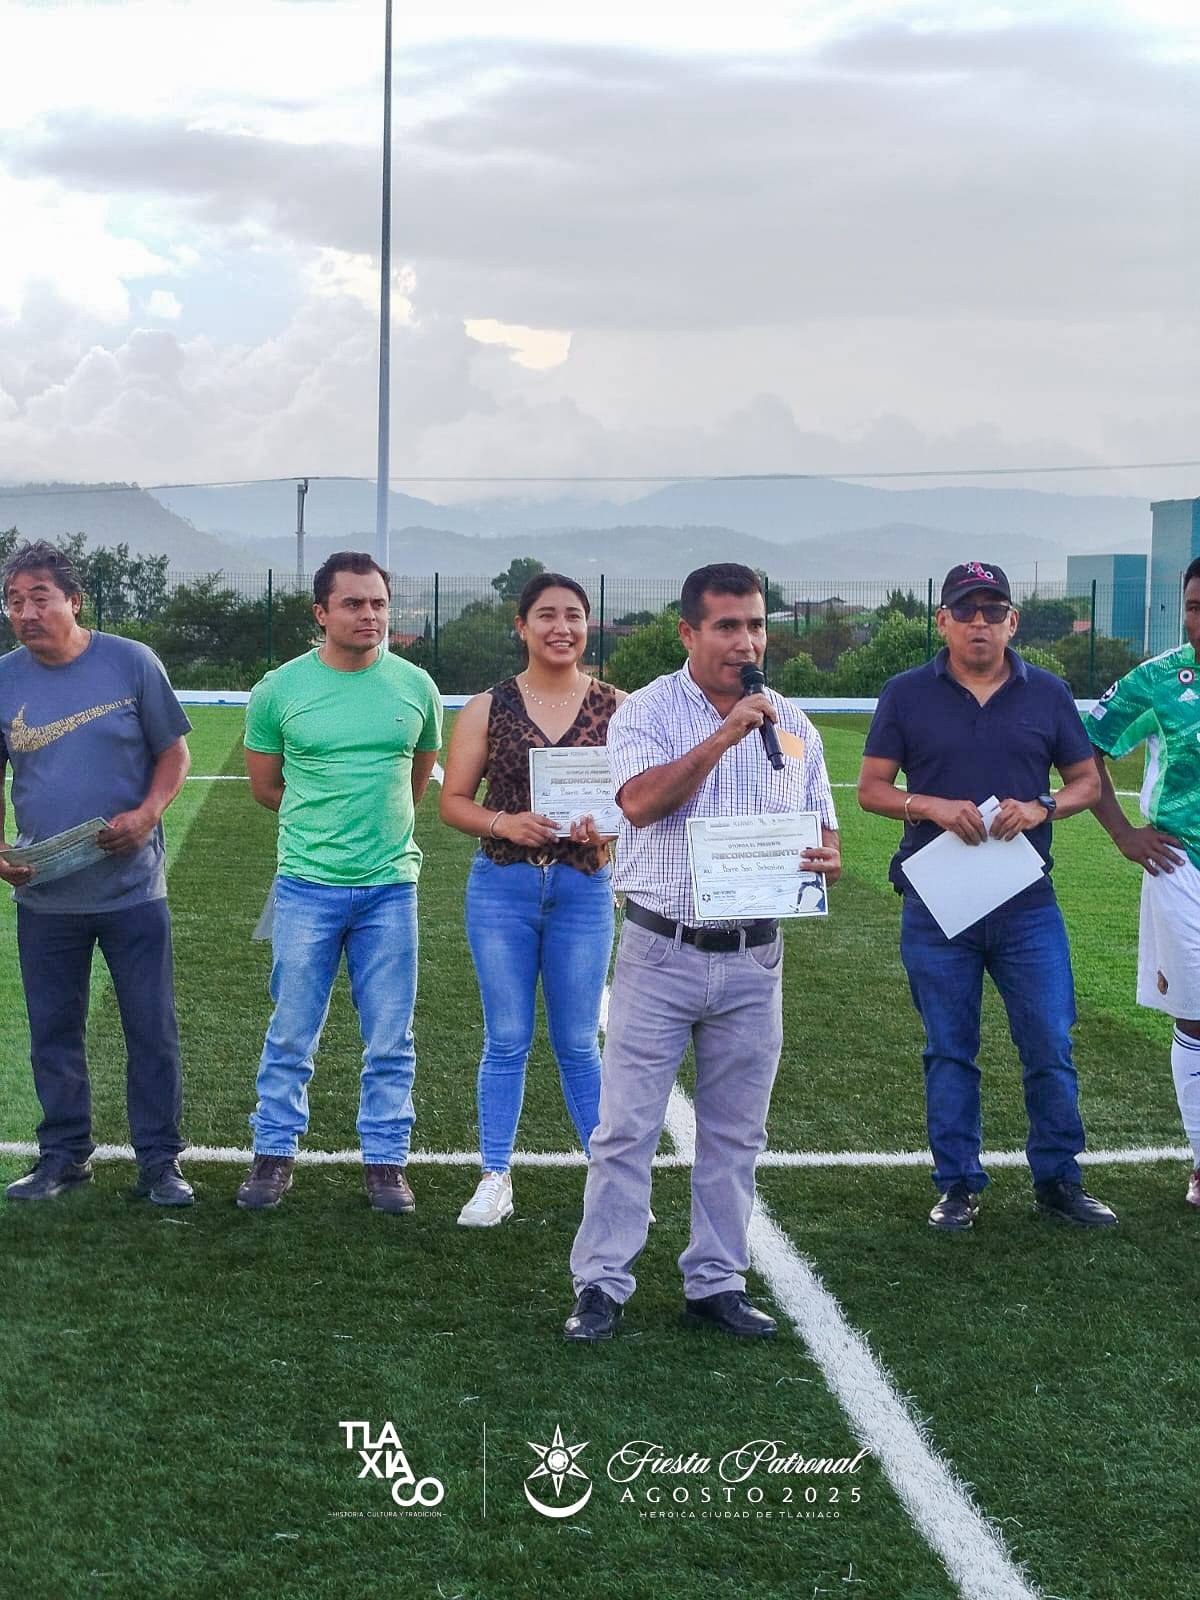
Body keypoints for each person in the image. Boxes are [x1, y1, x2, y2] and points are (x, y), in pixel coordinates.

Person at [563, 563, 840, 1342]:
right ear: (688, 632)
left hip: (755, 958)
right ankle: (602, 1284)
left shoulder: (794, 723)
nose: (746, 642)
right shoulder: (647, 711)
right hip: (662, 950)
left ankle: (716, 1281)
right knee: (626, 1129)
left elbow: (825, 833)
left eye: (756, 625)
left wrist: (825, 860)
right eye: (727, 627)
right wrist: (724, 735)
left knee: (736, 1132)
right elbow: (640, 804)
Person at [857, 561, 1116, 1231]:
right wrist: (931, 806)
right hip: (938, 904)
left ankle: (1059, 1180)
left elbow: (1087, 782)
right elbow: (872, 789)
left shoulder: (1048, 692)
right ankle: (957, 1184)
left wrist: (1042, 807)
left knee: (1049, 1044)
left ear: (1012, 622)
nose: (980, 622)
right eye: (966, 611)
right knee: (949, 1049)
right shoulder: (906, 693)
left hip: (1026, 904)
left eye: (993, 610)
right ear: (942, 620)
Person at [237, 551, 441, 1213]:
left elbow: (416, 780)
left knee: (390, 1038)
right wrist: (321, 827)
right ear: (321, 613)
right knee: (291, 1032)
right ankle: (273, 1155)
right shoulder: (279, 690)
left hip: (391, 890)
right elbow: (267, 788)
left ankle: (385, 1162)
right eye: (353, 603)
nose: (369, 615)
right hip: (305, 887)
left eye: (378, 602)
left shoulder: (415, 687)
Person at [0, 540, 193, 1205]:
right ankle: (63, 1156)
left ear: (75, 601)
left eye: (40, 597)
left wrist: (148, 813)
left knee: (151, 1030)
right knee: (53, 1033)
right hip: (46, 894)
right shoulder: (4, 678)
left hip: (133, 891)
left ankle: (160, 1162)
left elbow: (174, 753)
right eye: (13, 601)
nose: (26, 612)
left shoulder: (131, 662)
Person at [440, 573, 624, 1227]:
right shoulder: (487, 707)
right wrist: (504, 823)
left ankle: (611, 1179)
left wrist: (608, 830)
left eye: (573, 615)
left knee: (578, 1041)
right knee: (507, 1038)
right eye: (546, 615)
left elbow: (641, 803)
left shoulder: (619, 706)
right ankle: (495, 1175)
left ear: (587, 625)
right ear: (521, 626)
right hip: (503, 886)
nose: (560, 627)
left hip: (583, 888)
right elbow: (453, 802)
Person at [1087, 556, 1200, 1208]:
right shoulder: (1158, 680)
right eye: (1194, 607)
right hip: (1181, 866)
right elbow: (1087, 747)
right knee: (1196, 1015)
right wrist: (1124, 834)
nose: (1199, 619)